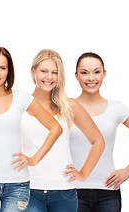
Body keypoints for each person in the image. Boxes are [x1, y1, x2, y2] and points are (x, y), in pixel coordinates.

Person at [0, 46, 62, 212]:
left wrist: (33, 159)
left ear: (8, 71)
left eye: (2, 68)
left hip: (17, 185)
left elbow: (55, 127)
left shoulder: (22, 98)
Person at [70, 52, 129, 212]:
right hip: (72, 190)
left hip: (108, 192)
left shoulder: (116, 108)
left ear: (104, 74)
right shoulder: (66, 108)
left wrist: (128, 170)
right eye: (84, 73)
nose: (91, 78)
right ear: (76, 76)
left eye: (96, 72)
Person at [21, 49, 104, 212]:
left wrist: (83, 173)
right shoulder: (20, 105)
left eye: (54, 72)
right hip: (29, 189)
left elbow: (98, 141)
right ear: (33, 71)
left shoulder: (69, 106)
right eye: (44, 71)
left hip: (64, 192)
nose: (49, 77)